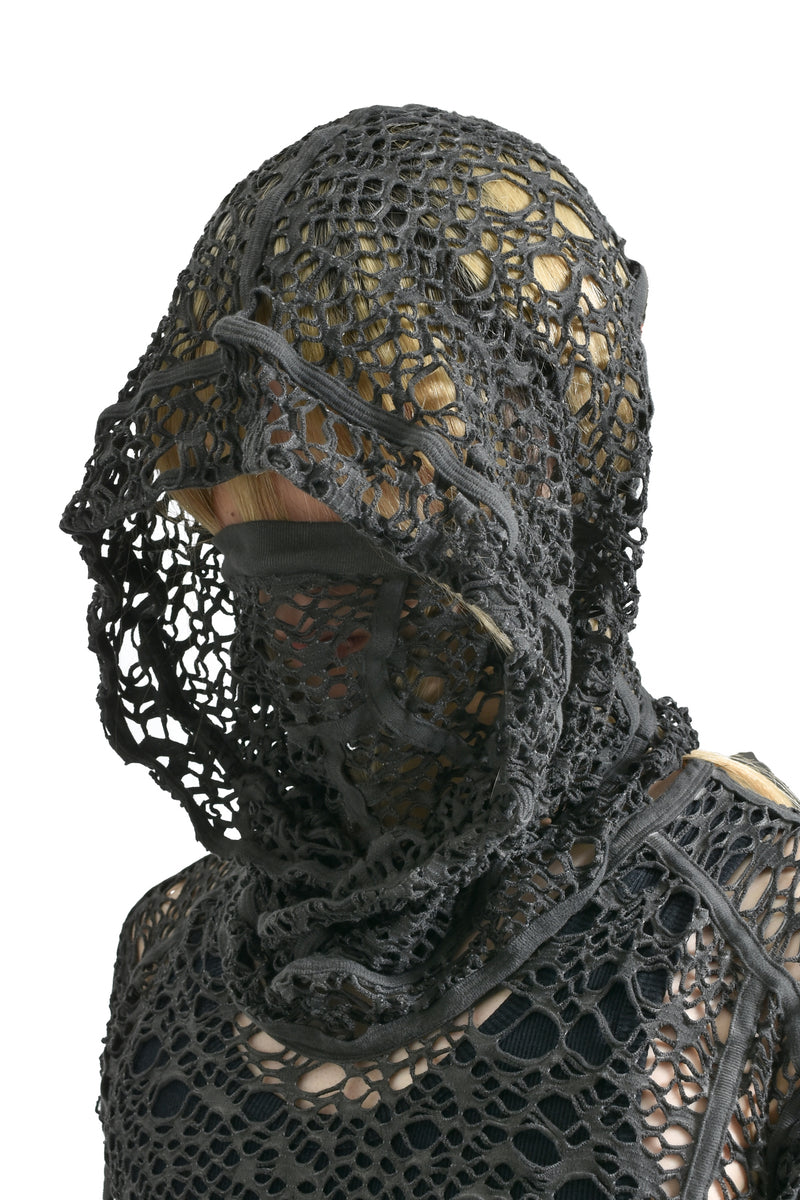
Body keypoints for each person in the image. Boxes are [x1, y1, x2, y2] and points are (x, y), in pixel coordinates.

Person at [62, 104, 800, 1199]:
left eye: (373, 508)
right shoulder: (168, 956)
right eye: (248, 527)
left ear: (542, 484)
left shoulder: (752, 927)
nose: (305, 617)